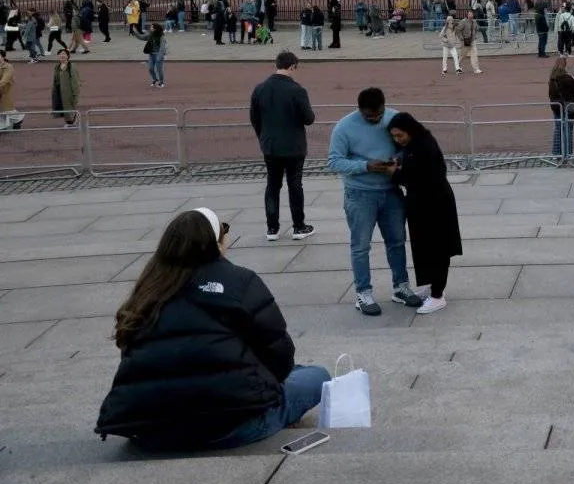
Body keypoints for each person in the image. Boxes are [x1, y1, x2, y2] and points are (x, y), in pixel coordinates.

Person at [95, 208, 331, 450]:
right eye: (224, 230)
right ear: (216, 242)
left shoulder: (148, 287)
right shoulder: (240, 281)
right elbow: (280, 356)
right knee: (317, 376)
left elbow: (133, 356)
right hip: (230, 425)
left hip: (150, 430)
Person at [327, 87, 422, 316]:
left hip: (391, 191)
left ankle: (401, 287)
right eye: (369, 116)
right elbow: (334, 162)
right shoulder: (344, 127)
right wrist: (365, 166)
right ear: (360, 110)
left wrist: (396, 161)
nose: (375, 119)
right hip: (359, 194)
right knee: (360, 246)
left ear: (384, 106)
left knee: (397, 241)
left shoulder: (394, 118)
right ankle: (363, 292)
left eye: (378, 114)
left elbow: (410, 146)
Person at [387, 112, 463, 314]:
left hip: (435, 205)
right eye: (394, 136)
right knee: (425, 247)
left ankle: (438, 294)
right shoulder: (416, 144)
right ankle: (433, 288)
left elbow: (418, 177)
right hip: (422, 204)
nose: (397, 140)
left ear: (409, 131)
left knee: (437, 249)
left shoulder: (424, 146)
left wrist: (395, 173)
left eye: (400, 135)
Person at [250, 51, 317, 241]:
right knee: (295, 184)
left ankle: (272, 228)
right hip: (293, 145)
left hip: (270, 145)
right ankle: (298, 226)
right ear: (292, 67)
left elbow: (254, 118)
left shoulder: (260, 88)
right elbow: (309, 119)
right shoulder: (297, 90)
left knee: (272, 185)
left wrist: (263, 137)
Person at [547, 56, 574, 160]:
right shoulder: (567, 78)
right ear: (564, 65)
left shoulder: (552, 78)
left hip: (556, 107)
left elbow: (550, 94)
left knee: (558, 129)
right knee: (568, 130)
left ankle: (556, 152)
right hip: (568, 107)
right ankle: (568, 153)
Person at [51, 47, 80, 126]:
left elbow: (75, 80)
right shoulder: (57, 66)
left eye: (64, 54)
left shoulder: (71, 66)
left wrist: (75, 93)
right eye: (60, 54)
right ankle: (70, 120)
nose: (62, 56)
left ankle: (71, 121)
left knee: (69, 106)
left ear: (68, 56)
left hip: (69, 91)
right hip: (59, 90)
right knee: (63, 106)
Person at [143, 22, 167, 89]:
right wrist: (135, 32)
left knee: (159, 69)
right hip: (151, 54)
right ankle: (155, 79)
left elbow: (162, 47)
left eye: (151, 27)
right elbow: (142, 37)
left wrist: (160, 56)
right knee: (150, 68)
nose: (150, 28)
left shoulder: (161, 36)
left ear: (155, 28)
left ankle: (161, 82)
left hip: (158, 55)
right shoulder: (150, 35)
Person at [0, 49, 16, 131]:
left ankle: (17, 120)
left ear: (3, 57)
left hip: (4, 91)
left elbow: (5, 80)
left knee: (7, 110)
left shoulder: (8, 67)